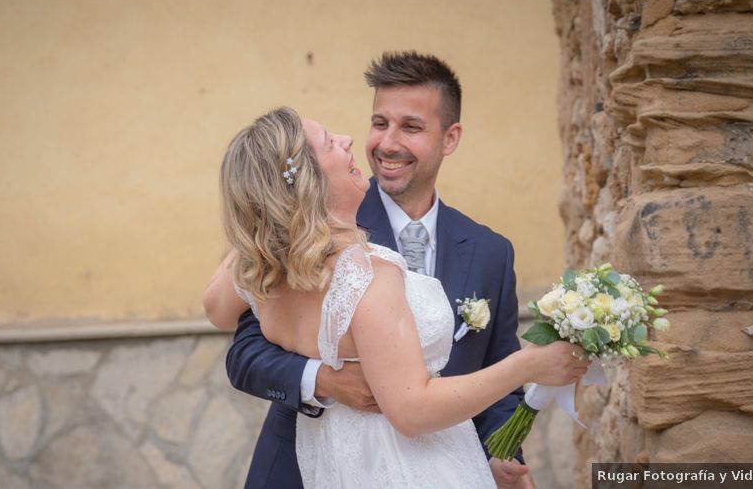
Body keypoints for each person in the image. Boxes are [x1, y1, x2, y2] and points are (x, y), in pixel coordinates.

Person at [204, 104, 589, 488]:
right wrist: (528, 365)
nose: (348, 140)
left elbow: (217, 310)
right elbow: (412, 411)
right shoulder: (367, 274)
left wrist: (271, 213)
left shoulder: (271, 273)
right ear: (307, 180)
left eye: (412, 126)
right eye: (329, 142)